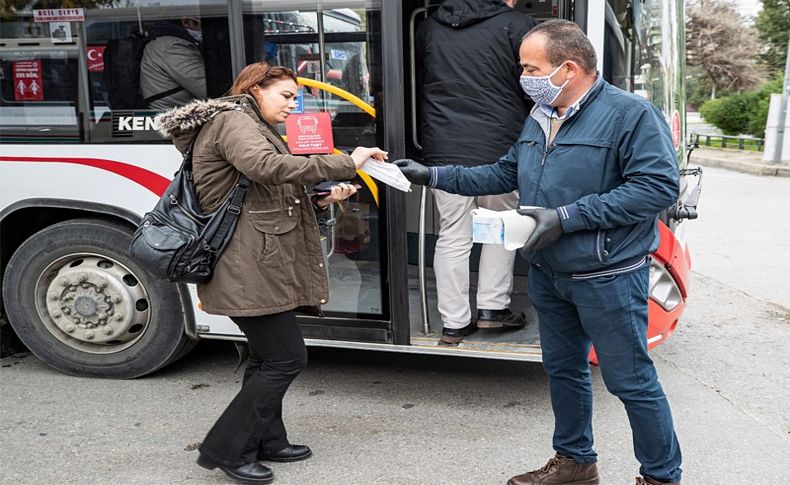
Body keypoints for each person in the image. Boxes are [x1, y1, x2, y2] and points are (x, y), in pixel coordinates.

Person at [396, 19, 682, 485]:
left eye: (531, 67)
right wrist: (431, 175)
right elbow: (502, 173)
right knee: (564, 372)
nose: (523, 76)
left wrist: (566, 217)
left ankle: (661, 477)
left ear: (568, 68)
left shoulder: (630, 113)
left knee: (631, 382)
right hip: (550, 272)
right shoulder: (540, 116)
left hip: (606, 275)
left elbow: (655, 188)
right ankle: (575, 463)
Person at [155, 62, 387, 484]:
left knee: (265, 357)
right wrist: (344, 163)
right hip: (244, 266)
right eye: (286, 95)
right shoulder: (234, 121)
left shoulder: (248, 123)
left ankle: (267, 440)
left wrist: (320, 200)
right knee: (286, 357)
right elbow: (266, 168)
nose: (293, 104)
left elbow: (263, 192)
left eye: (296, 97)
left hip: (255, 262)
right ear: (256, 89)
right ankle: (226, 448)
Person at [416, 0, 535, 344]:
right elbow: (531, 86)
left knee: (453, 234)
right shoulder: (517, 25)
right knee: (500, 227)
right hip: (500, 147)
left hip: (443, 147)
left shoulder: (428, 27)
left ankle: (454, 323)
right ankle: (492, 309)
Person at [140, 17, 207, 111]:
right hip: (178, 115)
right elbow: (205, 88)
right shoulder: (174, 47)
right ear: (187, 22)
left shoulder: (165, 43)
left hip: (175, 111)